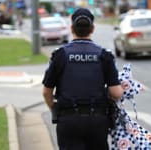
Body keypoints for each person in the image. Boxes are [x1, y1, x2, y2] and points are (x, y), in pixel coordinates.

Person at [42, 8, 124, 150]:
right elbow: (116, 93)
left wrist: (55, 110)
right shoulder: (105, 55)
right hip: (97, 121)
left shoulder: (60, 55)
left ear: (72, 28)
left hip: (68, 121)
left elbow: (46, 92)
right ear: (92, 29)